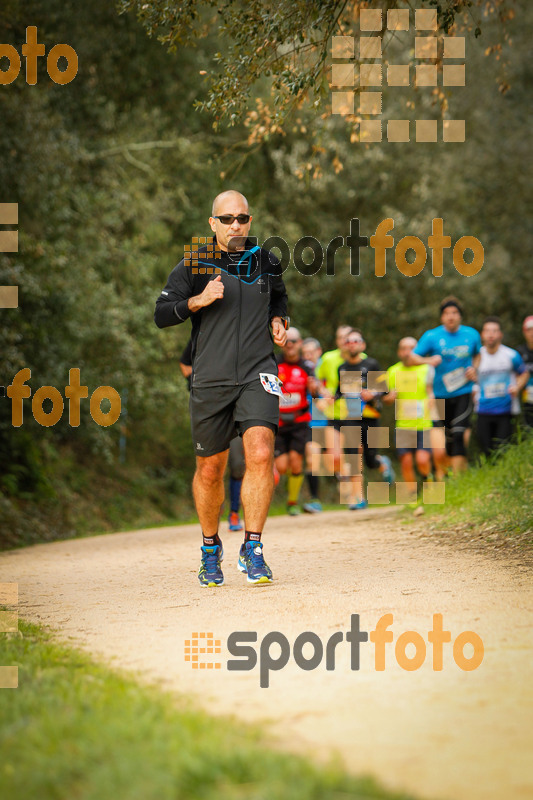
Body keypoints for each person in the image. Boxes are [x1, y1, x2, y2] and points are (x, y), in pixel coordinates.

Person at [155, 190, 288, 587]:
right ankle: (210, 549)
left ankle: (253, 547)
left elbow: (279, 298)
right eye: (227, 218)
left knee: (261, 453)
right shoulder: (193, 263)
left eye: (243, 219)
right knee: (210, 470)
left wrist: (280, 320)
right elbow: (162, 314)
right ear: (212, 223)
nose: (236, 225)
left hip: (257, 371)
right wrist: (198, 300)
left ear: (250, 221)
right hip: (209, 378)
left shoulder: (266, 260)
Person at [408, 297, 481, 474]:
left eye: (455, 313)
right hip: (440, 395)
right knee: (448, 438)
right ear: (442, 317)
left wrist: (474, 369)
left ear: (460, 316)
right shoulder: (432, 336)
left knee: (458, 433)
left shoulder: (471, 335)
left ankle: (459, 481)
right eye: (447, 313)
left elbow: (478, 355)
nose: (451, 317)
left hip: (463, 391)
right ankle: (449, 477)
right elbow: (412, 357)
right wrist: (428, 360)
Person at [180, 339, 244, 531]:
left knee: (237, 465)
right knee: (211, 468)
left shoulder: (239, 334)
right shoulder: (202, 336)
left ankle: (234, 513)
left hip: (236, 409)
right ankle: (214, 515)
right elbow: (184, 364)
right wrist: (197, 380)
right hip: (209, 408)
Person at [335, 330, 394, 509]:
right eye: (349, 341)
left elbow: (384, 390)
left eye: (356, 341)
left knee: (369, 459)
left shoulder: (371, 364)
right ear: (345, 346)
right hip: (351, 416)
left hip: (370, 416)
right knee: (353, 455)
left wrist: (372, 393)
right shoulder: (342, 368)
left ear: (362, 345)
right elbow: (340, 392)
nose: (352, 344)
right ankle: (358, 498)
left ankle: (381, 462)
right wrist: (331, 398)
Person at [384, 337, 436, 500]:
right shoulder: (392, 371)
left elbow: (432, 391)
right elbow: (385, 399)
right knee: (405, 462)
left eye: (411, 348)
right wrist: (390, 397)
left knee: (422, 460)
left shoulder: (426, 369)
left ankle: (429, 486)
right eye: (404, 348)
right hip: (403, 424)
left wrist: (432, 401)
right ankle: (412, 496)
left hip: (424, 423)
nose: (407, 352)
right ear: (399, 352)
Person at [274, 328, 318, 515]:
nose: (289, 345)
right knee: (282, 466)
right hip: (278, 421)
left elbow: (315, 392)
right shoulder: (274, 362)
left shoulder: (307, 366)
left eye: (293, 341)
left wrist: (314, 388)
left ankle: (293, 502)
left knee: (296, 462)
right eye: (286, 341)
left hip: (300, 420)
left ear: (300, 343)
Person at [473, 317, 528, 456]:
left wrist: (517, 387)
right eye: (487, 331)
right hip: (483, 409)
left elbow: (524, 373)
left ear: (500, 334)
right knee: (486, 452)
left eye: (494, 331)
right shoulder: (477, 356)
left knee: (503, 452)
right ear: (482, 334)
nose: (491, 334)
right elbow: (471, 378)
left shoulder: (510, 355)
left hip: (505, 410)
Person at [301, 337, 323, 512]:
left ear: (319, 352)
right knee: (312, 458)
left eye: (311, 352)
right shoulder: (301, 370)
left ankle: (353, 497)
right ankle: (315, 500)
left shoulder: (329, 366)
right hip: (311, 422)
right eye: (304, 353)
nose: (307, 356)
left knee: (336, 463)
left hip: (332, 421)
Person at [517, 315, 533, 428]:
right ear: (524, 332)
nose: (532, 333)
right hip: (526, 398)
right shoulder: (519, 352)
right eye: (529, 330)